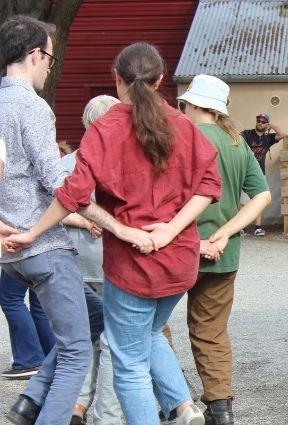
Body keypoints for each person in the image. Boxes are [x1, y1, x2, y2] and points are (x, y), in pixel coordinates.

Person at [5, 42, 222, 423]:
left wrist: (37, 231)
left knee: (130, 366)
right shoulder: (184, 126)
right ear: (159, 80)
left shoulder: (107, 128)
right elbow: (209, 185)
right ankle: (184, 407)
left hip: (133, 270)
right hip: (180, 264)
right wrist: (171, 230)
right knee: (148, 335)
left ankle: (180, 407)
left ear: (116, 78)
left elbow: (73, 195)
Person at [0, 15, 105, 424]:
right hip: (44, 245)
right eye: (49, 56)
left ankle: (29, 402)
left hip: (11, 249)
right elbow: (56, 178)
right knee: (78, 349)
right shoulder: (32, 107)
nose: (50, 65)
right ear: (32, 55)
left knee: (94, 314)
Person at [178, 73, 271, 425]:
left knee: (152, 326)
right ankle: (221, 411)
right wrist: (224, 234)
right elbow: (261, 196)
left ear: (193, 104)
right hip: (225, 253)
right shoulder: (236, 142)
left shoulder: (181, 137)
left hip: (178, 248)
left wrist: (200, 238)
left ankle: (175, 397)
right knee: (211, 331)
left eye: (183, 104)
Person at [63, 95, 124, 425]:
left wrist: (80, 219)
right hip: (112, 265)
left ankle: (77, 404)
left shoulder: (66, 163)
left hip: (73, 264)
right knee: (114, 340)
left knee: (81, 337)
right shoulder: (119, 164)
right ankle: (107, 414)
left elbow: (51, 209)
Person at [0, 273, 55, 380]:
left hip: (21, 258)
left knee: (11, 299)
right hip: (48, 258)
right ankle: (51, 358)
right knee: (40, 302)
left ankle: (30, 360)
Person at [240, 112, 283, 236]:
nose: (260, 123)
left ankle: (257, 227)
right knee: (243, 201)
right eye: (258, 120)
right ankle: (241, 227)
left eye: (263, 122)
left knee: (259, 200)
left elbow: (282, 134)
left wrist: (271, 125)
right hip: (245, 171)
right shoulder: (247, 134)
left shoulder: (268, 138)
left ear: (267, 124)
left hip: (260, 173)